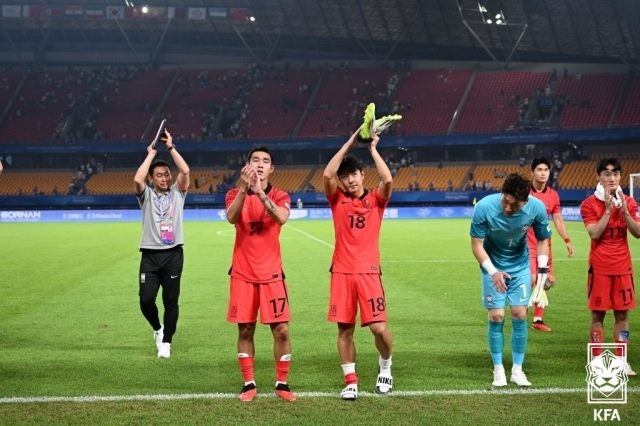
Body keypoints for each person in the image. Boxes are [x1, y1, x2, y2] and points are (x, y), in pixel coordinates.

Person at [322, 128, 394, 400]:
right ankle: (350, 381)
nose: (350, 180)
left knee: (379, 328)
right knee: (345, 329)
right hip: (341, 272)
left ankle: (385, 365)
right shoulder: (337, 199)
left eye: (354, 174)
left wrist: (372, 149)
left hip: (369, 273)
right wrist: (352, 141)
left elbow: (387, 180)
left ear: (363, 175)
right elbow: (328, 175)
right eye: (345, 177)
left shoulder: (376, 201)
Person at [225, 146, 296, 402]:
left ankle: (282, 383)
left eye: (266, 161)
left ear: (272, 168)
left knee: (282, 331)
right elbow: (231, 218)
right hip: (243, 274)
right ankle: (248, 383)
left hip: (272, 275)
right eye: (255, 160)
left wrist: (260, 194)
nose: (260, 164)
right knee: (245, 331)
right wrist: (245, 190)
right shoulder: (235, 193)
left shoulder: (280, 195)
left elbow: (281, 217)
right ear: (247, 165)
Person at [470, 173, 551, 387]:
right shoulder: (484, 207)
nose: (508, 208)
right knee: (496, 316)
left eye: (514, 205)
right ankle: (498, 370)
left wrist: (542, 270)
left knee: (519, 314)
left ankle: (517, 370)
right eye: (505, 201)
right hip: (492, 265)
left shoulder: (536, 208)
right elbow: (476, 244)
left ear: (525, 201)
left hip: (520, 266)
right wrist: (493, 271)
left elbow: (543, 239)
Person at [580, 158, 640, 376]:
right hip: (599, 269)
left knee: (622, 316)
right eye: (606, 173)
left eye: (615, 173)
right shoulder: (588, 204)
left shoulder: (630, 202)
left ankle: (621, 361)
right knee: (598, 316)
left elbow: (638, 232)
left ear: (620, 176)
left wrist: (623, 211)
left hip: (623, 268)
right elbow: (594, 233)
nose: (611, 177)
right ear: (598, 176)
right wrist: (607, 210)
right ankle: (597, 362)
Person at [133, 129, 190, 359]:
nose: (165, 178)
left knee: (171, 301)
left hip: (173, 254)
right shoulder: (145, 194)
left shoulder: (178, 193)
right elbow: (137, 179)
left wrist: (171, 148)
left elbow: (185, 171)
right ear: (152, 178)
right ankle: (158, 329)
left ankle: (166, 342)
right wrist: (150, 154)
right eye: (159, 175)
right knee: (146, 300)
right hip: (150, 255)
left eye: (167, 174)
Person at [528, 157, 574, 332]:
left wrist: (567, 239)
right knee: (530, 279)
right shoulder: (524, 192)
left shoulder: (553, 195)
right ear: (532, 172)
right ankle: (521, 311)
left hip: (544, 245)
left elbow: (557, 219)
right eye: (539, 169)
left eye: (546, 170)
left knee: (544, 280)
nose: (543, 173)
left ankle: (538, 319)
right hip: (524, 244)